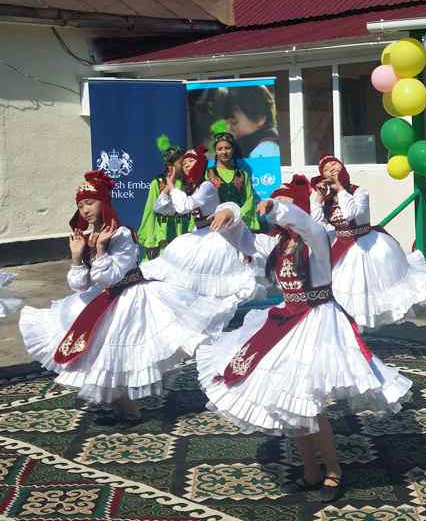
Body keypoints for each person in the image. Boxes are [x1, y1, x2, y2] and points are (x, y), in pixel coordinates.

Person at [195, 175, 411, 501]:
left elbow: (306, 224)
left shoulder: (317, 238)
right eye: (278, 206)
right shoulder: (277, 244)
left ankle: (334, 471)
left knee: (309, 404)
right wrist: (229, 212)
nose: (279, 213)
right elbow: (242, 237)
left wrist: (280, 208)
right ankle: (311, 470)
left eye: (287, 205)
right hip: (285, 320)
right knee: (289, 401)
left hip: (318, 320)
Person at [18, 171, 221, 426]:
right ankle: (121, 407)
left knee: (116, 354)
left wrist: (101, 250)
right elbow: (80, 285)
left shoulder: (122, 234)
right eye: (80, 205)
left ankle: (129, 409)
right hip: (103, 298)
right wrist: (76, 257)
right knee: (97, 354)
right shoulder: (87, 237)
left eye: (90, 203)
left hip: (130, 298)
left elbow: (111, 277)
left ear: (104, 202)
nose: (85, 210)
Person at [140, 145, 256, 332]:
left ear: (200, 164)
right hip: (199, 235)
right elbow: (161, 209)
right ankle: (190, 323)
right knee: (188, 281)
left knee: (209, 287)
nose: (186, 165)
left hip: (215, 237)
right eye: (184, 162)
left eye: (190, 161)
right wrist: (167, 191)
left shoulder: (207, 186)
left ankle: (214, 326)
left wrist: (171, 187)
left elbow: (185, 206)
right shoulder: (191, 188)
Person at [310, 154, 426, 328]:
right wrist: (318, 197)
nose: (330, 168)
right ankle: (350, 331)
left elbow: (352, 214)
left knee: (365, 292)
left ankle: (362, 333)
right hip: (340, 246)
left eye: (334, 164)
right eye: (325, 168)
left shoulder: (359, 191)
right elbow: (315, 222)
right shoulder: (327, 199)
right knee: (343, 292)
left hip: (365, 245)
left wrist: (340, 190)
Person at [137, 135, 191, 260]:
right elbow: (150, 211)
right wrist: (150, 240)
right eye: (181, 163)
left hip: (183, 233)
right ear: (170, 165)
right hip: (164, 235)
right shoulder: (158, 183)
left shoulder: (188, 183)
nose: (184, 165)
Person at [206, 120, 260, 230]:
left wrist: (236, 216)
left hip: (239, 224)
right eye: (220, 149)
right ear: (215, 151)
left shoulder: (242, 174)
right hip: (217, 224)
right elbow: (206, 199)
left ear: (233, 149)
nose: (224, 152)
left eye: (227, 148)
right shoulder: (209, 174)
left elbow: (249, 200)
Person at [216, 85, 281, 158]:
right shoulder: (247, 143)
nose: (228, 127)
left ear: (260, 119)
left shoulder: (265, 149)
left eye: (234, 122)